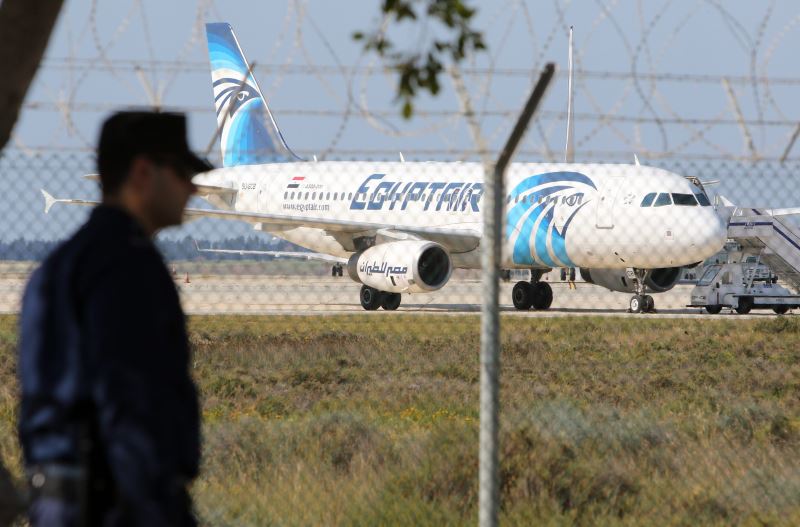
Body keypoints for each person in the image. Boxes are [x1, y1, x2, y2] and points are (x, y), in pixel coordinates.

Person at [18, 111, 211, 526]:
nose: (193, 188)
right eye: (182, 173)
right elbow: (130, 403)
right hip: (118, 504)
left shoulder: (58, 268)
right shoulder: (128, 269)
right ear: (143, 173)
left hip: (58, 501)